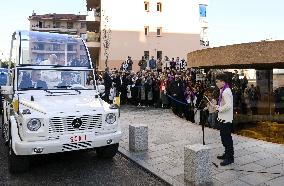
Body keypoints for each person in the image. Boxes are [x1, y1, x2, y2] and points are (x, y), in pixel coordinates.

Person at [214, 73, 234, 166]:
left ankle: (230, 158)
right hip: (223, 118)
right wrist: (218, 106)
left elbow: (229, 105)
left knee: (227, 139)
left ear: (223, 82)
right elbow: (224, 104)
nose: (216, 84)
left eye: (217, 82)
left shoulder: (226, 91)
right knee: (224, 138)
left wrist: (219, 109)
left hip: (226, 119)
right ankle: (226, 154)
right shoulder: (223, 89)